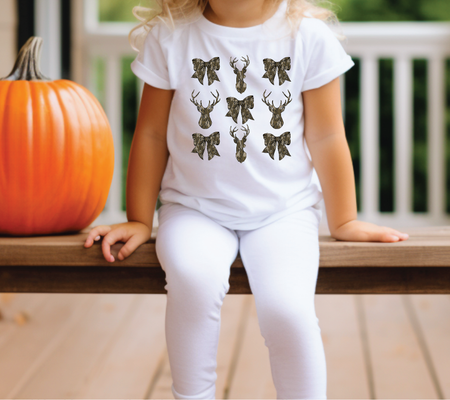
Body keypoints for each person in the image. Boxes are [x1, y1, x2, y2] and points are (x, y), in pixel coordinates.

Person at [84, 0, 409, 398]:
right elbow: (150, 135)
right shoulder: (172, 36)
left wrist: (344, 220)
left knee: (287, 308)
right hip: (193, 210)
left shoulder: (307, 37)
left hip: (283, 213)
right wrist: (138, 219)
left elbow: (327, 136)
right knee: (192, 277)